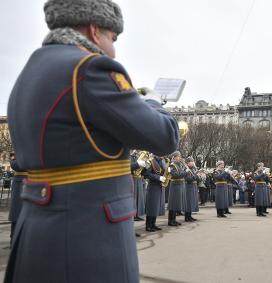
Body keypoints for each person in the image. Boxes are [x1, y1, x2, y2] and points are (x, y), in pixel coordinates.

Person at [5, 0, 179, 282]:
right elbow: (164, 137)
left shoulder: (30, 71)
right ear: (95, 30)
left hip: (36, 227)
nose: (113, 47)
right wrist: (154, 103)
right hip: (86, 232)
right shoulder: (91, 68)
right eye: (113, 38)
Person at [144, 155, 168, 232]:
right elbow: (146, 174)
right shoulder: (151, 161)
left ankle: (153, 224)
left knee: (156, 206)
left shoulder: (162, 161)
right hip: (153, 186)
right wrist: (158, 178)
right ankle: (148, 225)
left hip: (160, 186)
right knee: (152, 206)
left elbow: (164, 172)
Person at [7, 152, 27, 245]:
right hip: (21, 182)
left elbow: (16, 164)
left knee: (20, 213)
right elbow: (15, 165)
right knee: (17, 213)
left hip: (25, 181)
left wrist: (12, 158)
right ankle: (14, 238)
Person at [168, 151, 188, 226]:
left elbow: (181, 174)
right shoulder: (172, 165)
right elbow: (175, 175)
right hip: (175, 185)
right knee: (173, 203)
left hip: (179, 185)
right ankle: (170, 221)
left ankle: (174, 220)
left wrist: (185, 172)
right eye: (179, 156)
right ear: (175, 157)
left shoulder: (179, 165)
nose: (180, 158)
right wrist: (185, 172)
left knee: (176, 203)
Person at [184, 157, 200, 222]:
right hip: (189, 187)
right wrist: (196, 175)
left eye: (193, 161)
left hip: (194, 186)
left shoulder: (193, 169)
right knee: (188, 202)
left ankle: (190, 216)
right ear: (187, 163)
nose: (193, 163)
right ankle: (187, 217)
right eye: (191, 161)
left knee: (192, 201)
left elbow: (197, 179)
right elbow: (188, 179)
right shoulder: (186, 169)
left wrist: (199, 176)